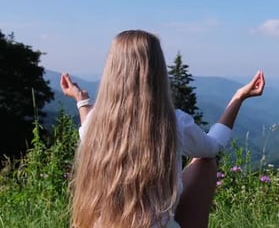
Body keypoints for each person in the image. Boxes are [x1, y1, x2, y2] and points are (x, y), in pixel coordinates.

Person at [60, 30, 265, 228]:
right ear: (157, 71)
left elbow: (87, 128)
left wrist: (81, 100)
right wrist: (238, 98)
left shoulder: (96, 125)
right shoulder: (173, 123)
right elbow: (213, 146)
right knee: (205, 162)